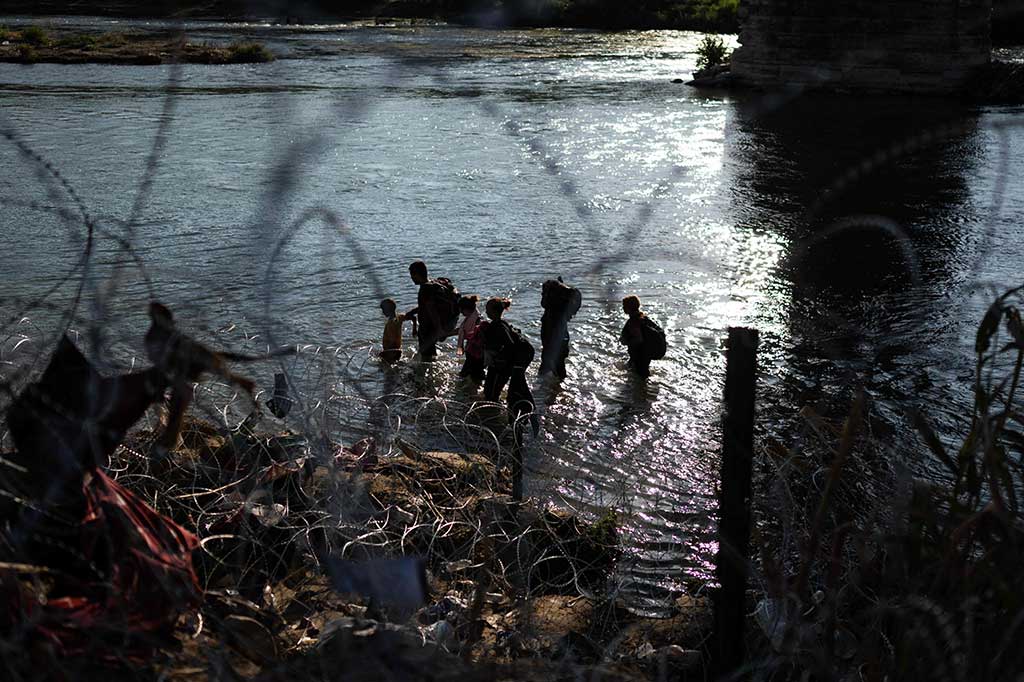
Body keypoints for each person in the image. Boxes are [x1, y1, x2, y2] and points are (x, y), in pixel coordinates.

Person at [482, 297, 538, 436]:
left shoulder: (499, 326)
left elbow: (510, 345)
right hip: (511, 360)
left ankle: (496, 423)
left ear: (494, 311)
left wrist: (500, 360)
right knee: (492, 390)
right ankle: (502, 417)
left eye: (487, 308)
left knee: (497, 391)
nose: (485, 311)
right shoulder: (499, 323)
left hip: (513, 360)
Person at [404, 260, 459, 361]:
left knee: (426, 358)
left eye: (412, 275)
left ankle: (425, 375)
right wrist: (412, 312)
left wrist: (439, 329)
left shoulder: (424, 290)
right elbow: (426, 306)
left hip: (428, 329)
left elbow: (432, 309)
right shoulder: (432, 284)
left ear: (416, 274)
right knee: (430, 355)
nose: (411, 278)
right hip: (432, 328)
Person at [540, 277, 582, 380]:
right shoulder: (563, 305)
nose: (542, 295)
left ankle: (551, 388)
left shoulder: (551, 309)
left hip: (552, 337)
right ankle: (557, 388)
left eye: (543, 293)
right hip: (560, 337)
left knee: (552, 365)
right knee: (557, 365)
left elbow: (544, 303)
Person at [620, 295, 652, 378]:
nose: (623, 308)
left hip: (638, 356)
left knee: (637, 379)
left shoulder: (633, 322)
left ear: (628, 308)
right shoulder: (644, 318)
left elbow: (639, 339)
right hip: (646, 354)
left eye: (624, 306)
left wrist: (626, 341)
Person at [456, 295, 486, 383]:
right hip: (473, 352)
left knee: (468, 374)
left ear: (465, 309)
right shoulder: (473, 317)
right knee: (470, 373)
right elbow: (463, 331)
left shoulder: (477, 320)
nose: (460, 312)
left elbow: (464, 331)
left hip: (476, 353)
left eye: (461, 309)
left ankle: (474, 391)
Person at [380, 298, 412, 365]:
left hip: (390, 353)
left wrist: (384, 353)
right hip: (398, 350)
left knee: (386, 372)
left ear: (388, 310)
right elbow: (412, 317)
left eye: (383, 310)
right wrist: (414, 328)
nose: (383, 312)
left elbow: (392, 342)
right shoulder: (399, 317)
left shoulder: (390, 323)